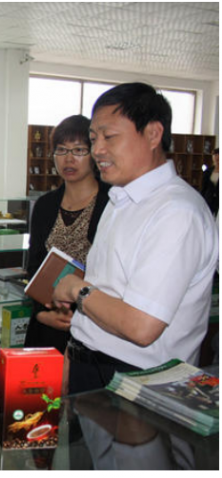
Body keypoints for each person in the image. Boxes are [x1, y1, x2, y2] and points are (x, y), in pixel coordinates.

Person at [53, 83, 218, 394]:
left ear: (153, 134)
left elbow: (141, 326)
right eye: (94, 138)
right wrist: (74, 355)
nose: (98, 149)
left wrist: (76, 288)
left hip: (140, 381)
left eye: (109, 136)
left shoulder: (176, 212)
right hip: (92, 366)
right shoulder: (121, 199)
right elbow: (107, 289)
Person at [24, 115, 110, 354]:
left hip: (95, 324)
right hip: (48, 323)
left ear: (94, 154)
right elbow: (34, 267)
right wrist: (41, 313)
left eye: (79, 150)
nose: (69, 159)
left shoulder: (112, 203)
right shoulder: (45, 205)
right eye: (61, 150)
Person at [201, 147, 219, 216]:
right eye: (214, 155)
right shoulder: (208, 171)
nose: (216, 157)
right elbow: (204, 188)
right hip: (209, 200)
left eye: (218, 155)